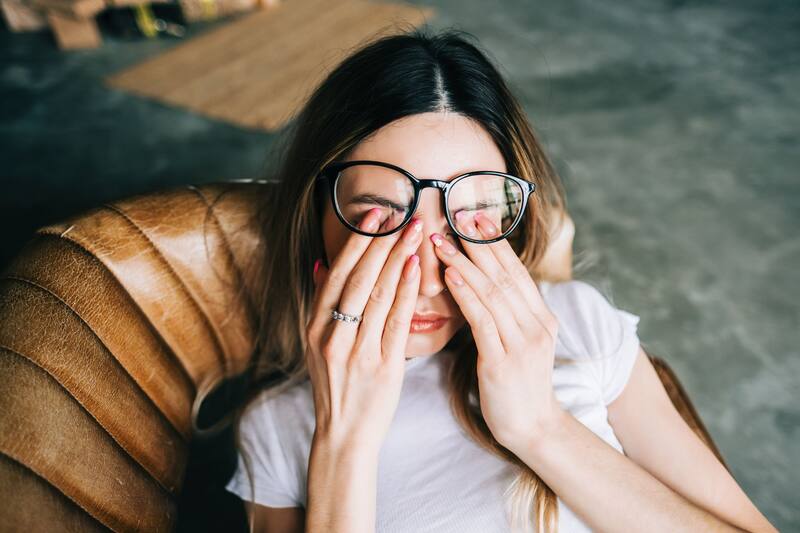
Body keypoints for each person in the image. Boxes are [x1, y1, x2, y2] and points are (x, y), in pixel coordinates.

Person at [222, 26, 777, 533]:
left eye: (473, 218)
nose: (429, 281)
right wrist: (344, 442)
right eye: (382, 220)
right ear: (316, 218)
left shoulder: (577, 324)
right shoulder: (278, 426)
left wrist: (540, 427)